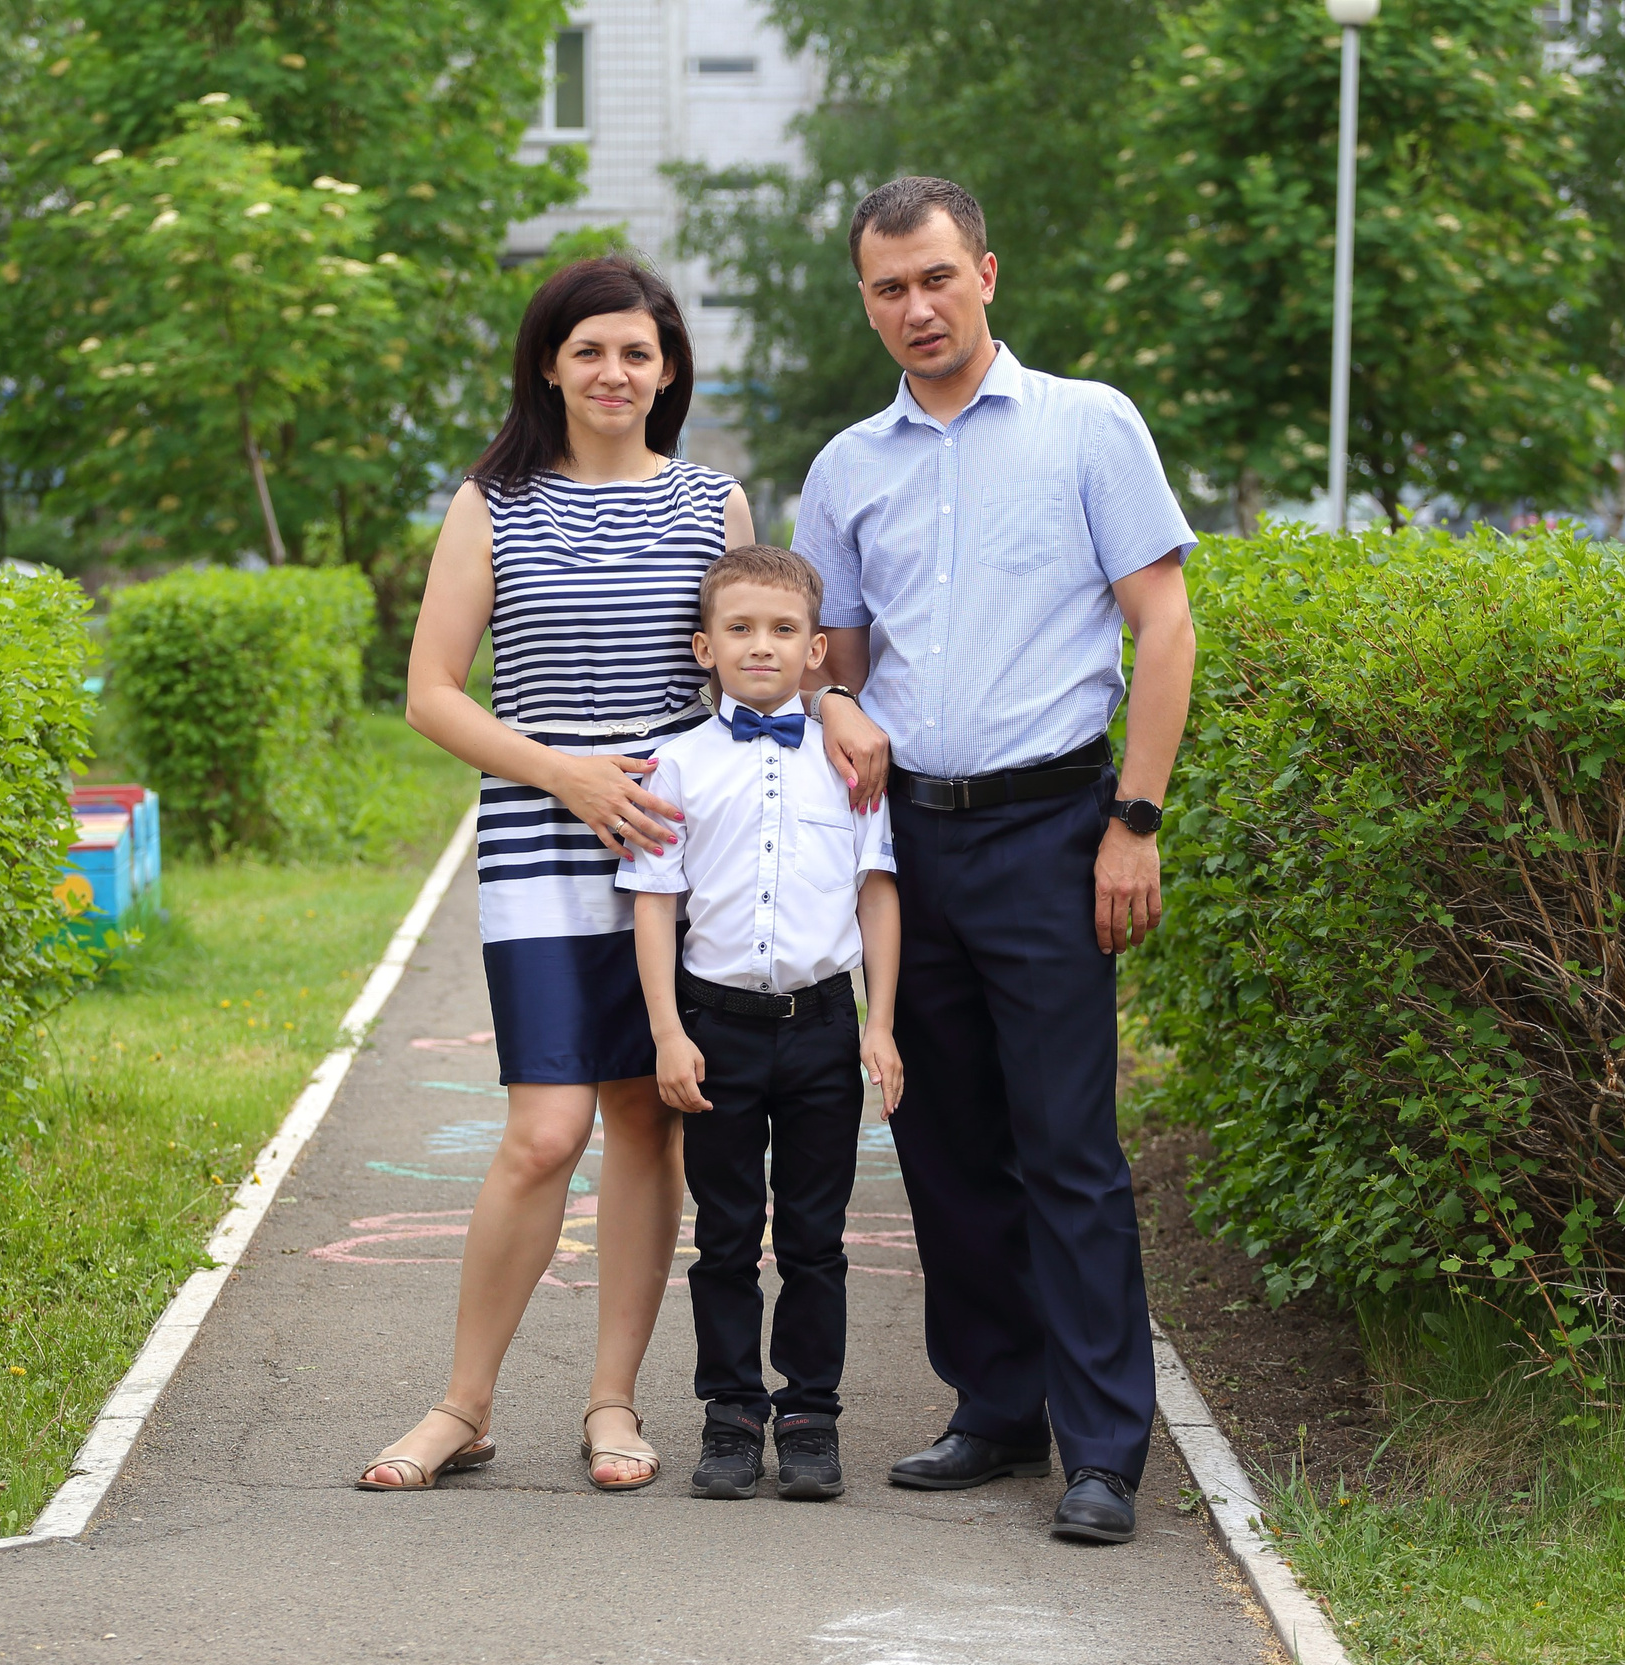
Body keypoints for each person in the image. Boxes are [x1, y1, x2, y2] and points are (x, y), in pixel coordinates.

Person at [791, 176, 1199, 1545]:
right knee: (944, 1139)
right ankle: (996, 1403)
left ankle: (1102, 1448)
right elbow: (831, 660)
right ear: (868, 299)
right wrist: (835, 703)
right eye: (888, 288)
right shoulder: (850, 467)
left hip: (1052, 832)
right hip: (910, 847)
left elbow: (1166, 624)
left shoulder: (1090, 426)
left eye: (936, 278)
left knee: (1067, 1146)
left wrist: (1132, 822)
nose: (915, 307)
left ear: (987, 273)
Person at [356, 256, 768, 1492]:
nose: (614, 372)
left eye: (637, 352)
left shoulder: (716, 503)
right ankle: (461, 1405)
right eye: (589, 349)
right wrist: (567, 775)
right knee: (543, 1131)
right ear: (549, 363)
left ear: (669, 369)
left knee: (650, 1121)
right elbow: (430, 694)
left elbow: (746, 670)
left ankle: (610, 1403)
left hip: (672, 855)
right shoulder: (491, 502)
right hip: (540, 842)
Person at [617, 544, 901, 1502]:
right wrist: (667, 1031)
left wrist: (880, 1024)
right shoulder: (677, 767)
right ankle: (732, 1413)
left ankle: (812, 1415)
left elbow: (876, 894)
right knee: (728, 1233)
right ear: (705, 646)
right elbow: (655, 904)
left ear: (818, 649)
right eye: (739, 628)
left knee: (818, 1235)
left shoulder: (851, 766)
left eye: (783, 630)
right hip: (717, 1025)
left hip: (822, 1026)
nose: (761, 645)